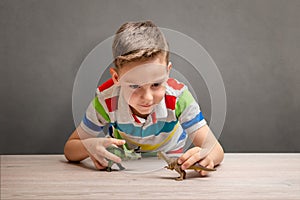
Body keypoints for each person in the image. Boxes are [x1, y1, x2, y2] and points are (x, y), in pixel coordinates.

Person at [64, 21, 224, 176]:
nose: (147, 98)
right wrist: (88, 146)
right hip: (121, 174)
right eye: (134, 86)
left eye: (156, 84)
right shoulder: (106, 101)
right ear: (116, 77)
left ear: (167, 71)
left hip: (167, 173)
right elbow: (70, 149)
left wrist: (206, 156)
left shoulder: (179, 99)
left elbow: (215, 149)